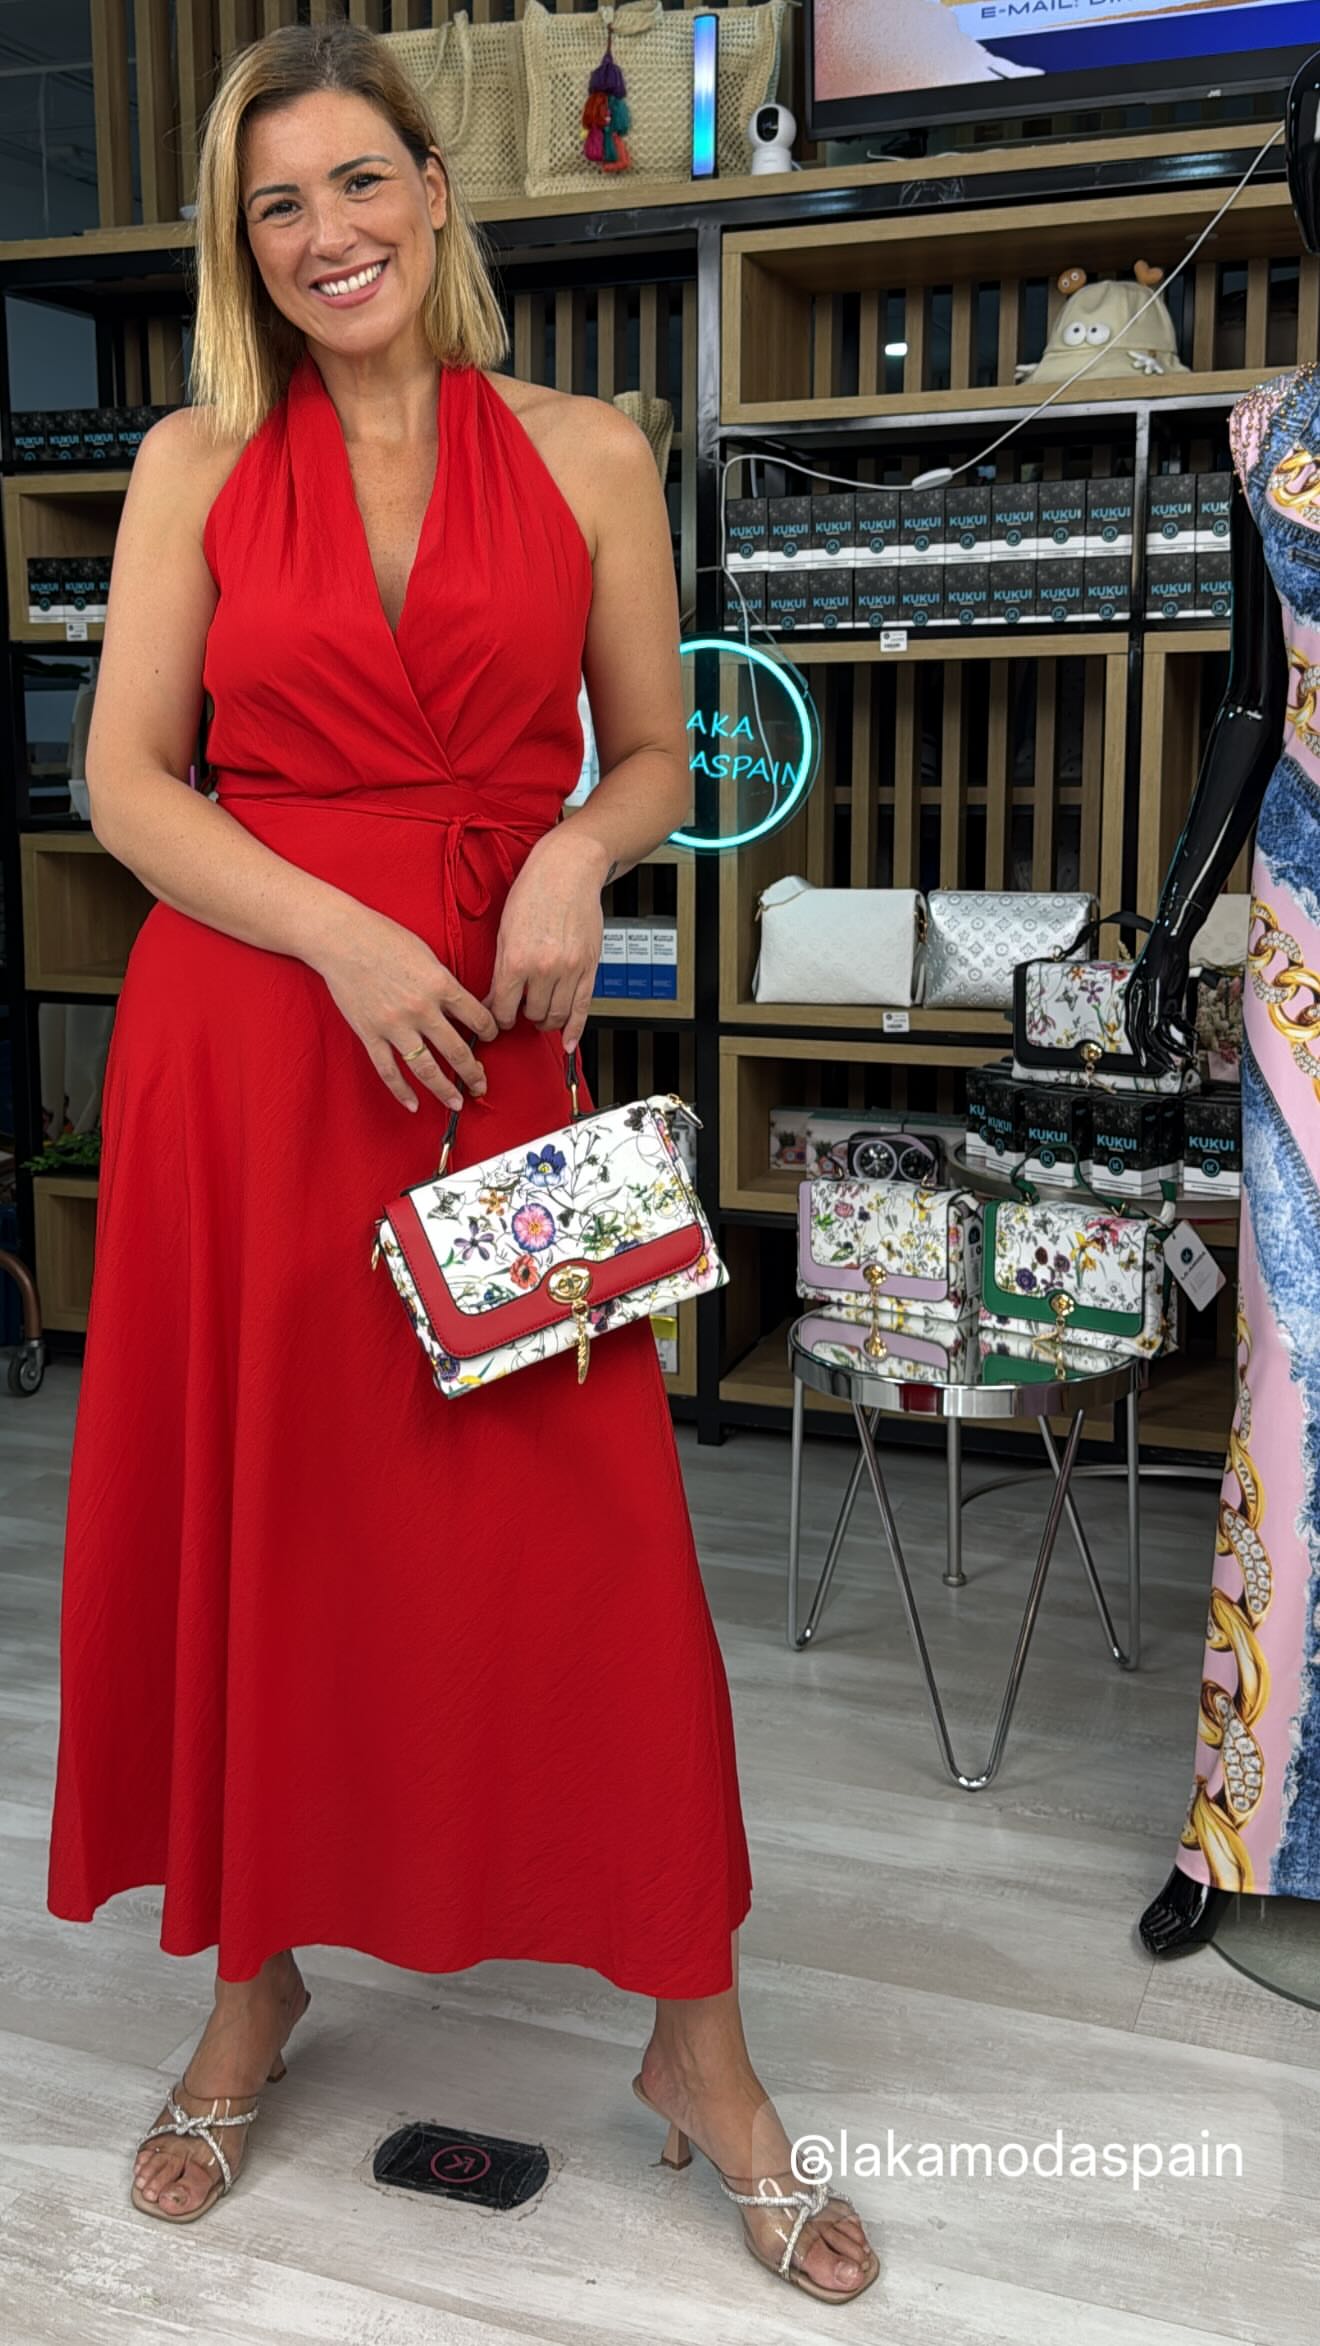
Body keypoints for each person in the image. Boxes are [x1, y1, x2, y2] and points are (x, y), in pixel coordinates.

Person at [43, 21, 878, 2305]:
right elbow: (130, 784)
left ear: (436, 188)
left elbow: (651, 752)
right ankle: (254, 1987)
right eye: (277, 204)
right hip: (255, 1045)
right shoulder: (195, 461)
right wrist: (336, 932)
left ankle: (699, 2044)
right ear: (242, 247)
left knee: (591, 1539)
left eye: (358, 181)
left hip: (501, 1054)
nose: (328, 233)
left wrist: (575, 857)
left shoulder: (593, 449)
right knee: (276, 1520)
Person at [1125, 50, 1320, 1956]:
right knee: (1283, 1378)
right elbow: (1250, 708)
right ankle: (1234, 1823)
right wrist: (1168, 926)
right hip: (1309, 955)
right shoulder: (1267, 433)